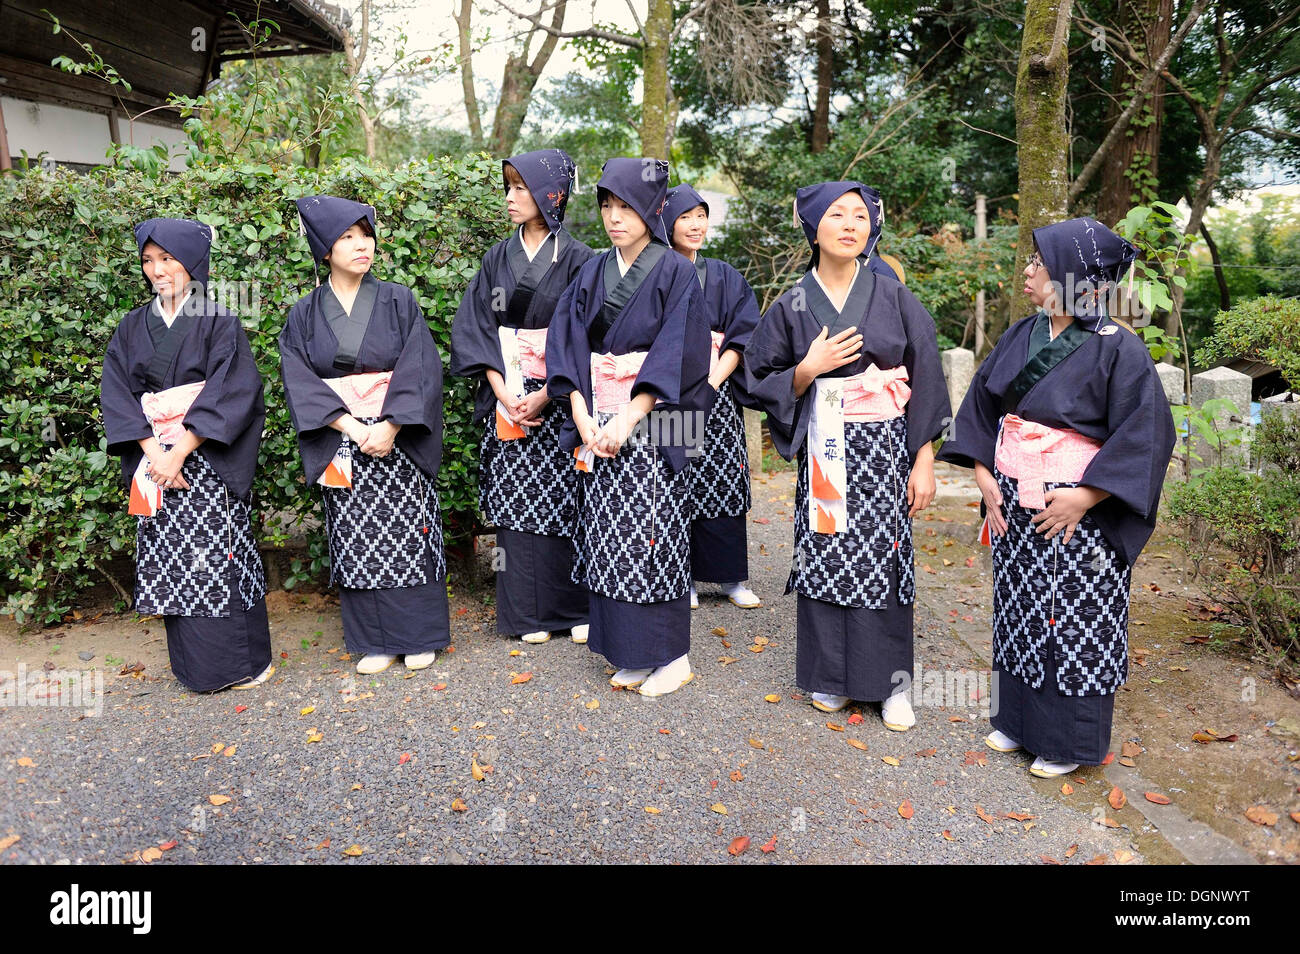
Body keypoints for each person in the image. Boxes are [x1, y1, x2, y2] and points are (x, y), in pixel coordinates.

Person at [936, 216, 1175, 777]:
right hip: (1014, 497)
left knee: (1074, 617)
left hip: (1079, 513)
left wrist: (1089, 495)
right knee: (1019, 608)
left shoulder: (1121, 349)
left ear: (1072, 274)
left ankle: (1067, 742)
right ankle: (1018, 723)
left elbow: (1146, 435)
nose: (1027, 271)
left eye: (1038, 264)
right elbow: (981, 408)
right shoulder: (1022, 334)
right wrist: (981, 470)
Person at [745, 181, 950, 729]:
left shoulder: (892, 294)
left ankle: (890, 686)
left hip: (884, 445)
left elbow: (926, 373)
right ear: (814, 228)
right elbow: (754, 376)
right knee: (827, 550)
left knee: (883, 558)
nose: (851, 224)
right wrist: (807, 369)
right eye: (837, 215)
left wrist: (923, 458)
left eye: (860, 216)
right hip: (826, 444)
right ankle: (830, 677)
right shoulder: (791, 303)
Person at [546, 157, 711, 697]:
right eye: (607, 206)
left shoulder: (677, 271)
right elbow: (566, 345)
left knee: (652, 533)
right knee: (609, 535)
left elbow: (677, 354)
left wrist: (630, 415)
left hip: (653, 421)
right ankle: (631, 652)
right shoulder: (591, 270)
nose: (615, 217)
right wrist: (580, 412)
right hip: (596, 420)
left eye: (627, 206)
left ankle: (672, 656)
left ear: (652, 209)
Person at [101, 217, 273, 692]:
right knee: (173, 561)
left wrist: (181, 450)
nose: (158, 270)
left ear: (193, 263)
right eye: (149, 261)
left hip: (206, 460)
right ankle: (194, 668)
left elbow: (233, 390)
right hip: (154, 461)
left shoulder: (219, 319)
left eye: (168, 259)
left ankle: (241, 665)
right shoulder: (132, 326)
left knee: (220, 556)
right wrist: (155, 451)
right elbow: (117, 394)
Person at [279, 195, 449, 675]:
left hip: (398, 438)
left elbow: (421, 366)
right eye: (347, 238)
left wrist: (392, 424)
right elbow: (300, 378)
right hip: (343, 437)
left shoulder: (399, 299)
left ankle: (417, 636)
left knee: (408, 534)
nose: (362, 246)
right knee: (357, 536)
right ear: (324, 249)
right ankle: (374, 641)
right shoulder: (304, 314)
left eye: (366, 235)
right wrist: (352, 426)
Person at [451, 149, 595, 645]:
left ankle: (575, 608)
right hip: (508, 393)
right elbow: (475, 327)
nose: (511, 198)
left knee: (568, 500)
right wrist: (502, 391)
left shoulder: (582, 260)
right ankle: (527, 615)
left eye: (522, 188)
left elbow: (586, 333)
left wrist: (549, 392)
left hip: (561, 397)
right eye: (508, 187)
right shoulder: (497, 257)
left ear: (552, 195)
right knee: (517, 505)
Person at [661, 184, 762, 611]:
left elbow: (742, 335)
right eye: (685, 216)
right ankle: (679, 576)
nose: (696, 224)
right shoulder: (654, 271)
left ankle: (730, 577)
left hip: (716, 393)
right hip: (667, 392)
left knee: (722, 480)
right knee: (675, 479)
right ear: (666, 222)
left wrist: (713, 382)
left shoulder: (725, 275)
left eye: (701, 215)